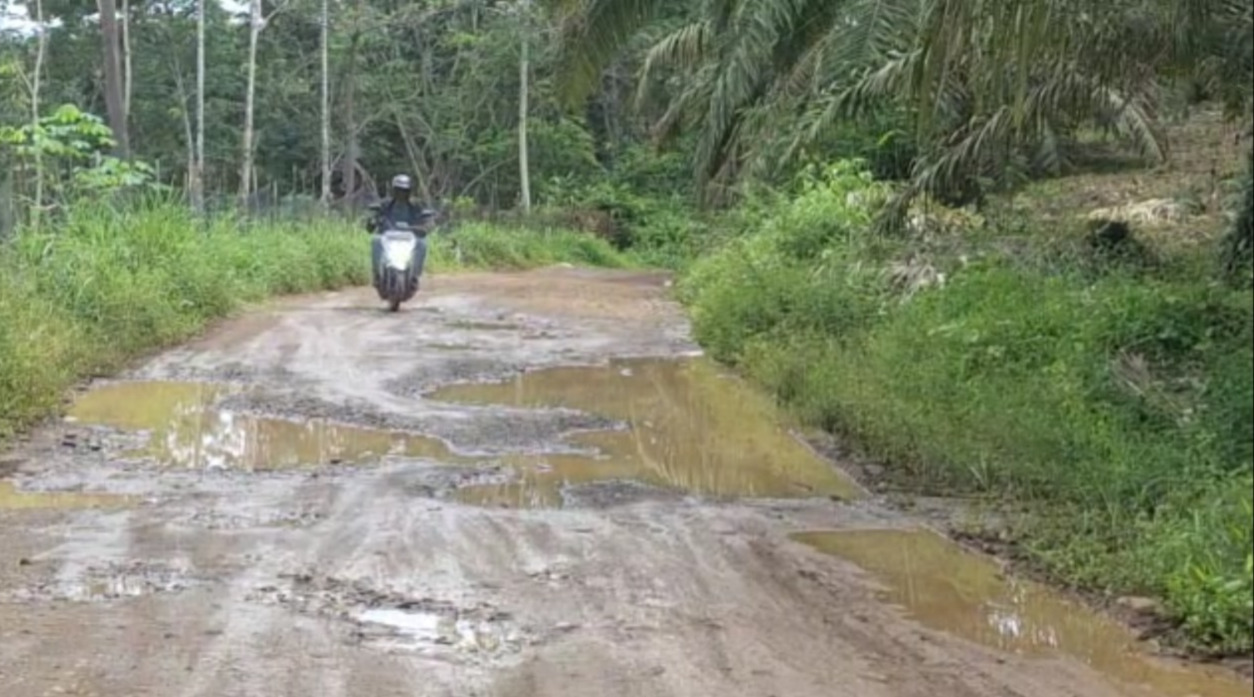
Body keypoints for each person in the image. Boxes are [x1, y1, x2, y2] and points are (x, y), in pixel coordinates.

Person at [367, 174, 431, 289]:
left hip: (410, 238)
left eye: (404, 191)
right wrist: (372, 222)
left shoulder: (416, 206)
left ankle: (415, 275)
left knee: (422, 243)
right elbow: (371, 226)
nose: (401, 194)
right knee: (376, 241)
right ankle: (377, 274)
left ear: (409, 191)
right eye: (398, 190)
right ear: (394, 191)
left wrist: (422, 227)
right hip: (388, 237)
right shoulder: (385, 204)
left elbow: (425, 224)